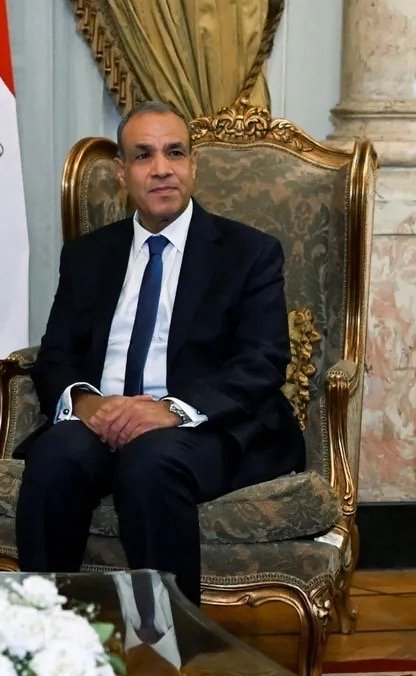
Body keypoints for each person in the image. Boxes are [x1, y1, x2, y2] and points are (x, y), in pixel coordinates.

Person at [15, 100, 305, 604]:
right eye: (143, 155)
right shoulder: (88, 256)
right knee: (56, 454)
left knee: (149, 461)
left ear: (193, 164)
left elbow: (262, 361)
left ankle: (165, 635)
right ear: (121, 172)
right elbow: (56, 354)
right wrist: (86, 403)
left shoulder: (248, 253)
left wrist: (170, 410)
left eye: (174, 152)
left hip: (202, 429)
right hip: (102, 421)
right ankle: (47, 627)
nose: (162, 168)